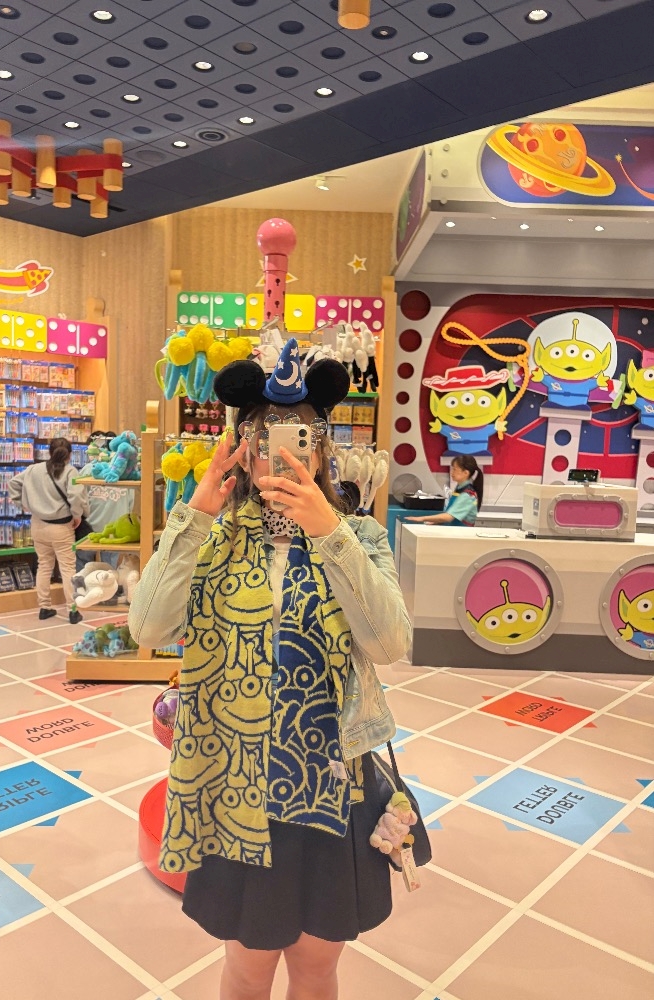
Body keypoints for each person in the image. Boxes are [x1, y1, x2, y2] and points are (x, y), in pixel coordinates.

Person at [129, 339, 413, 1000]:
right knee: (249, 967)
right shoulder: (213, 538)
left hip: (335, 787)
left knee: (317, 967)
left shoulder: (360, 536)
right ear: (241, 447)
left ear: (322, 448)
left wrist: (330, 533)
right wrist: (196, 514)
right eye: (264, 438)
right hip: (238, 786)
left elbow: (389, 642)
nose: (281, 453)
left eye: (299, 437)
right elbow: (149, 628)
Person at [9, 438, 88, 624]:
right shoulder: (70, 471)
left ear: (49, 452)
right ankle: (73, 610)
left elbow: (13, 483)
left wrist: (22, 504)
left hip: (38, 525)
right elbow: (76, 496)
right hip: (61, 526)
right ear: (69, 454)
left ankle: (44, 607)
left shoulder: (33, 469)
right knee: (68, 568)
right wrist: (77, 515)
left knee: (44, 565)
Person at [75, 433, 136, 572]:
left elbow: (78, 498)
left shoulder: (89, 470)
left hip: (89, 527)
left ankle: (82, 586)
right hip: (115, 528)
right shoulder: (125, 472)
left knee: (83, 568)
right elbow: (130, 503)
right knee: (109, 570)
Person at [405, 454, 483, 527]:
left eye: (455, 469)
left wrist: (422, 518)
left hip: (462, 534)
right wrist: (437, 522)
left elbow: (449, 517)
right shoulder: (460, 488)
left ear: (466, 473)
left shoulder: (467, 495)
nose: (452, 472)